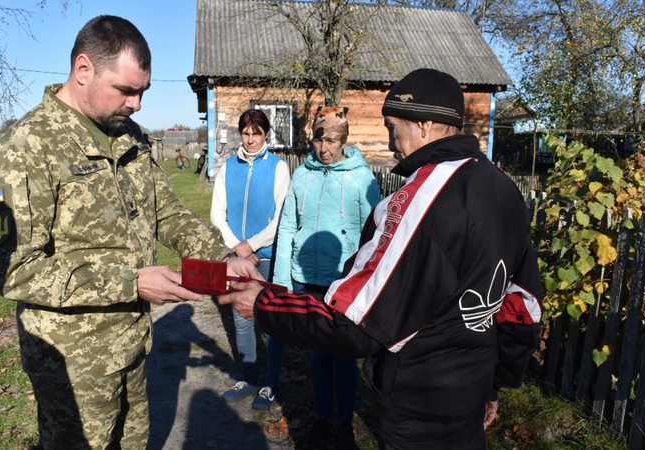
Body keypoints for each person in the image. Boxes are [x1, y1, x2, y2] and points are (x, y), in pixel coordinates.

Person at [220, 68, 543, 449]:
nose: (391, 144)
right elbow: (521, 305)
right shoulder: (502, 188)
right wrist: (495, 383)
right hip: (470, 390)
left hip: (420, 398)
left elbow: (354, 324)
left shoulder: (419, 199)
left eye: (392, 127)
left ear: (423, 124)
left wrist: (264, 302)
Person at [0, 15, 259, 450]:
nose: (137, 104)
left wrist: (223, 258)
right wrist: (130, 282)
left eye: (143, 91)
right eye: (126, 90)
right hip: (72, 367)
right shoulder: (23, 149)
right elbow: (13, 268)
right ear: (83, 69)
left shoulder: (131, 137)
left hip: (131, 346)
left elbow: (166, 213)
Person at [272, 106, 380, 449]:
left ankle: (345, 424)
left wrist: (364, 282)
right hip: (307, 278)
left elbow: (375, 235)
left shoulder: (362, 180)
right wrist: (281, 281)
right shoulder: (302, 176)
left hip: (343, 282)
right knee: (319, 355)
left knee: (344, 356)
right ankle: (322, 418)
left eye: (331, 140)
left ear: (343, 140)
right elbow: (288, 226)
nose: (324, 148)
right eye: (319, 140)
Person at [211, 109, 291, 409]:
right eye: (246, 132)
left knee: (268, 321)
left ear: (266, 134)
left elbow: (282, 215)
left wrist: (254, 245)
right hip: (236, 258)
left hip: (266, 258)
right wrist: (236, 247)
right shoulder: (228, 167)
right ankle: (247, 377)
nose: (251, 138)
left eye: (256, 133)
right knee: (240, 320)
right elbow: (217, 214)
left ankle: (270, 384)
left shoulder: (278, 168)